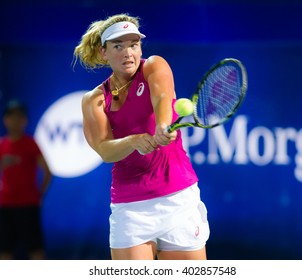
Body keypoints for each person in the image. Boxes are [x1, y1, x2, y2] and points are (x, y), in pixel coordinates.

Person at [74, 13, 210, 260]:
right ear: (104, 53)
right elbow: (105, 150)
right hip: (131, 208)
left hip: (179, 199)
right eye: (119, 46)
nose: (128, 53)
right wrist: (133, 141)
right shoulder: (94, 100)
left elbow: (161, 97)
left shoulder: (154, 65)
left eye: (133, 45)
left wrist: (162, 124)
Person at [0, 100, 52, 259]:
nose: (15, 120)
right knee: (4, 251)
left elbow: (47, 172)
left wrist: (39, 195)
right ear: (5, 120)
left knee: (35, 250)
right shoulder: (2, 145)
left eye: (19, 116)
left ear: (25, 120)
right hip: (5, 206)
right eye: (11, 116)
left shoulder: (30, 143)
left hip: (28, 205)